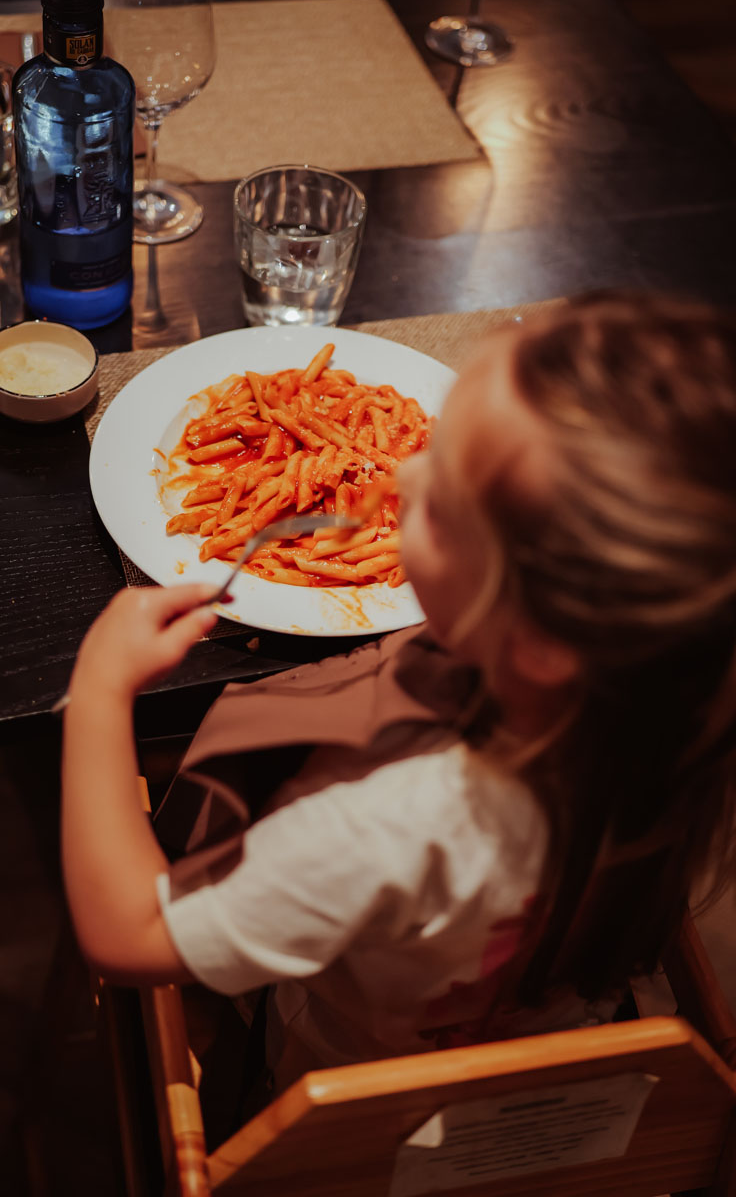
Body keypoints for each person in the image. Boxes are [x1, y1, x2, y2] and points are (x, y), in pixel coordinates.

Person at [61, 291, 736, 1093]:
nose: (406, 474)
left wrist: (100, 691)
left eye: (443, 498)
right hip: (548, 1053)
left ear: (541, 644)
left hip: (350, 1105)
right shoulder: (695, 711)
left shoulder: (382, 829)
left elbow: (129, 937)